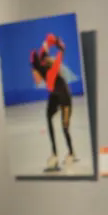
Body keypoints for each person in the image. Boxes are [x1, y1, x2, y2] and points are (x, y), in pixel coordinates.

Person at [30, 33, 76, 172]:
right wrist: (53, 41)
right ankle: (54, 154)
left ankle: (71, 153)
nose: (34, 79)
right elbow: (47, 40)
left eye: (34, 74)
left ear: (38, 71)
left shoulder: (50, 73)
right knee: (48, 117)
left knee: (65, 128)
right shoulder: (41, 60)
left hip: (65, 98)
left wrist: (60, 47)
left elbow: (59, 58)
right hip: (55, 95)